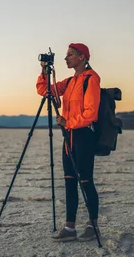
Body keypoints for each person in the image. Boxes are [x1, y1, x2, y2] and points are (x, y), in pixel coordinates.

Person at [36, 43, 101, 242]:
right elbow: (44, 90)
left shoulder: (91, 79)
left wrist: (68, 122)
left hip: (83, 135)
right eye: (66, 55)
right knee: (69, 180)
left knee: (86, 180)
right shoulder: (71, 81)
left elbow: (91, 113)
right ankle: (70, 227)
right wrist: (44, 71)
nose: (66, 58)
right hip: (69, 137)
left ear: (82, 57)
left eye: (70, 55)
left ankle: (92, 225)